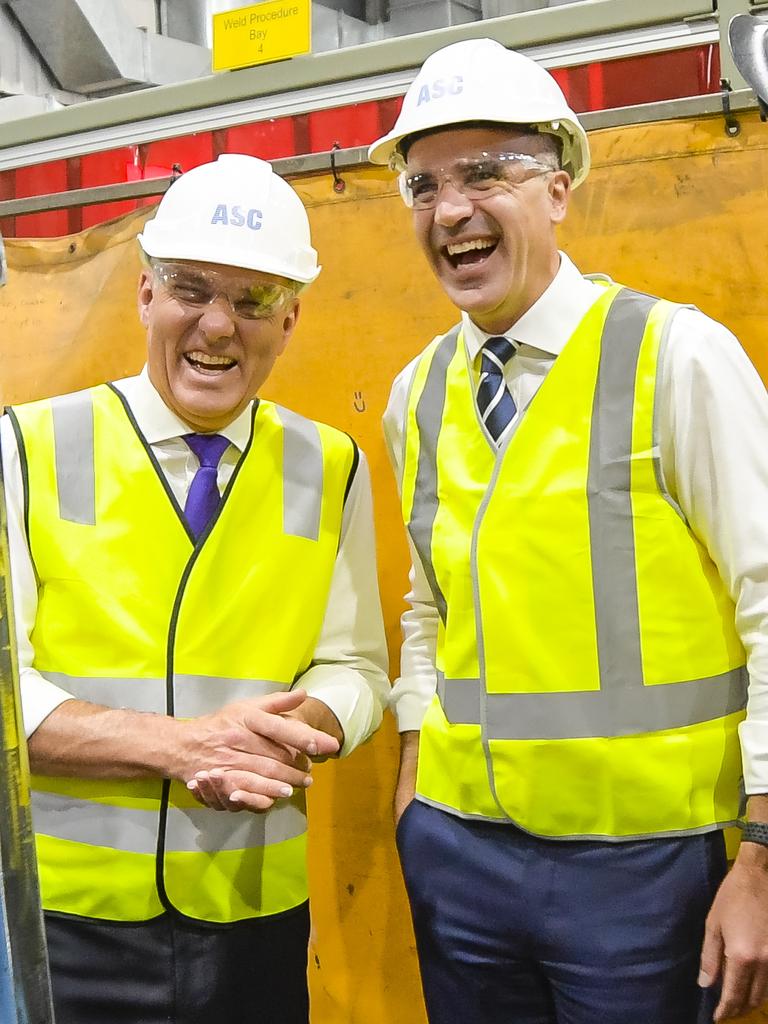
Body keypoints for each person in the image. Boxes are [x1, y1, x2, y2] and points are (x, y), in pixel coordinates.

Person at [368, 37, 768, 1024]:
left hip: (643, 866)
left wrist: (762, 852)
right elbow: (429, 602)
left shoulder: (675, 358)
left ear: (558, 185)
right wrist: (418, 765)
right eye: (423, 184)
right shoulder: (416, 393)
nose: (450, 209)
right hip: (457, 854)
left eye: (485, 172)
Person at [1, 153, 389, 1024]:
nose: (218, 326)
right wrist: (182, 748)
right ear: (145, 294)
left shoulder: (331, 466)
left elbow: (358, 667)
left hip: (255, 913)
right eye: (191, 289)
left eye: (253, 301)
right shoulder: (26, 448)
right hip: (70, 920)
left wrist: (306, 726)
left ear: (290, 320)